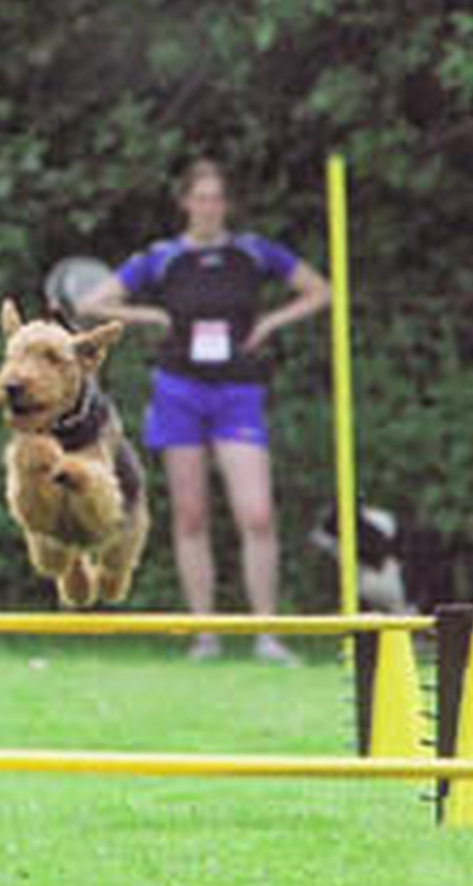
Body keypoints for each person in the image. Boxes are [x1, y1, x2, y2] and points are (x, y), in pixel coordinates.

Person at [78, 158, 330, 664]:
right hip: (179, 390)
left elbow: (319, 289)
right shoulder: (163, 257)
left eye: (217, 197)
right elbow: (93, 301)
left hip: (238, 391)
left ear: (227, 204)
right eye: (201, 197)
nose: (209, 206)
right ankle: (205, 635)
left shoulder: (252, 252)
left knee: (256, 515)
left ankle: (267, 635)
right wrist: (147, 313)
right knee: (191, 517)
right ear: (186, 202)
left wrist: (270, 324)